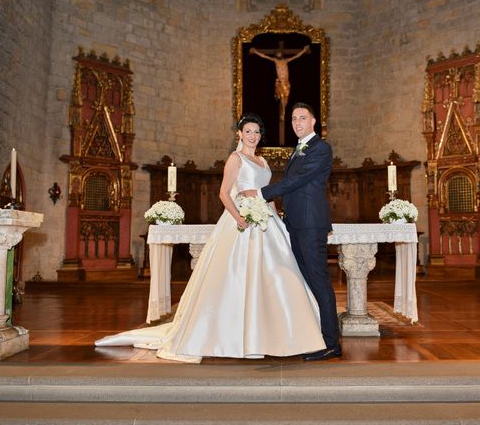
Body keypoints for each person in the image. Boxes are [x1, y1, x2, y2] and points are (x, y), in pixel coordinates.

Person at [94, 113, 325, 362]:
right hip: (240, 223)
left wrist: (263, 207)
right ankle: (235, 334)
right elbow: (224, 193)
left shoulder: (262, 161)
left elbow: (264, 192)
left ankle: (277, 333)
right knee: (237, 277)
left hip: (267, 222)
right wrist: (238, 217)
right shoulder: (235, 159)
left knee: (277, 276)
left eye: (257, 132)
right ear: (239, 134)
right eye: (248, 131)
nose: (252, 136)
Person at [240, 103, 341, 361]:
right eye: (294, 118)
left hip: (311, 225)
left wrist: (262, 194)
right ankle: (312, 336)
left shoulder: (321, 148)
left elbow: (298, 181)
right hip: (296, 224)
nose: (297, 122)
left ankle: (331, 343)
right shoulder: (297, 150)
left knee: (318, 280)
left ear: (313, 121)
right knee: (305, 281)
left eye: (302, 118)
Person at [249, 45, 310, 117]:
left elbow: (296, 56)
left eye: (279, 53)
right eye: (277, 53)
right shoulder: (276, 61)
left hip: (286, 82)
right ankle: (283, 112)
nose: (278, 54)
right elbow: (264, 56)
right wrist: (255, 52)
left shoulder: (286, 61)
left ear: (281, 54)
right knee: (282, 97)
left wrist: (304, 50)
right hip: (280, 82)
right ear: (276, 55)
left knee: (286, 99)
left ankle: (283, 109)